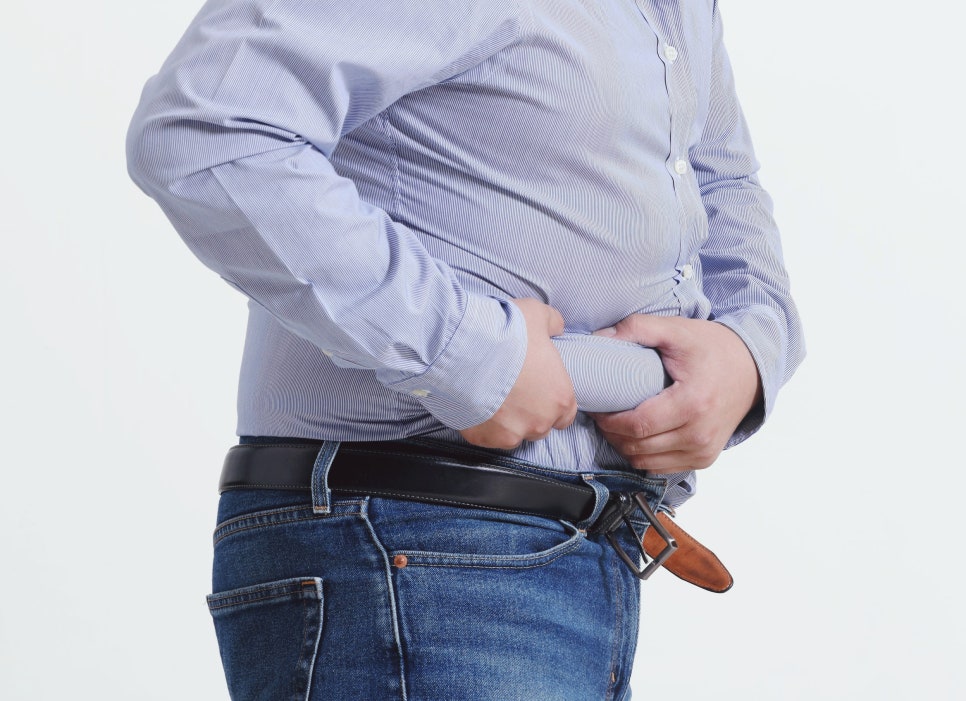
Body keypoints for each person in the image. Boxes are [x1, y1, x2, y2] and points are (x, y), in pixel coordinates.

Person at [127, 1, 804, 699]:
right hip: (413, 536)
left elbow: (718, 179)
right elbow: (206, 126)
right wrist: (464, 353)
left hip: (566, 548)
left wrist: (749, 351)